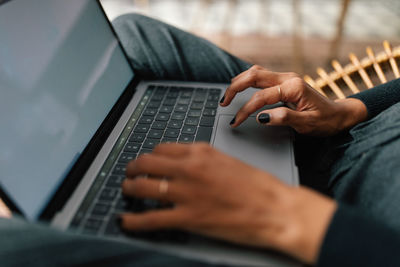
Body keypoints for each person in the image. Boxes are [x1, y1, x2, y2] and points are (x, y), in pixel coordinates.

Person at [2, 13, 400, 267]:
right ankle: (88, 162)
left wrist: (284, 212)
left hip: (336, 233)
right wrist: (348, 110)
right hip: (346, 140)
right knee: (135, 34)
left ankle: (69, 190)